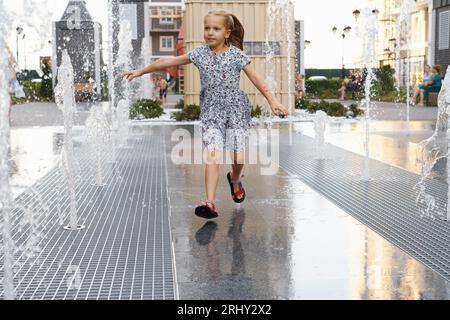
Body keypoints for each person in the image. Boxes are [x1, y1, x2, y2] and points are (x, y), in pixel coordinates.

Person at [123, 9, 289, 219]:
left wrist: (273, 101)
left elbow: (257, 80)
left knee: (238, 158)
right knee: (213, 154)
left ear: (227, 33)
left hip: (236, 110)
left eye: (216, 28)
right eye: (207, 28)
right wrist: (140, 71)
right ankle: (209, 202)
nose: (210, 32)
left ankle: (235, 179)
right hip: (211, 111)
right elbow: (166, 62)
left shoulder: (236, 55)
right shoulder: (199, 54)